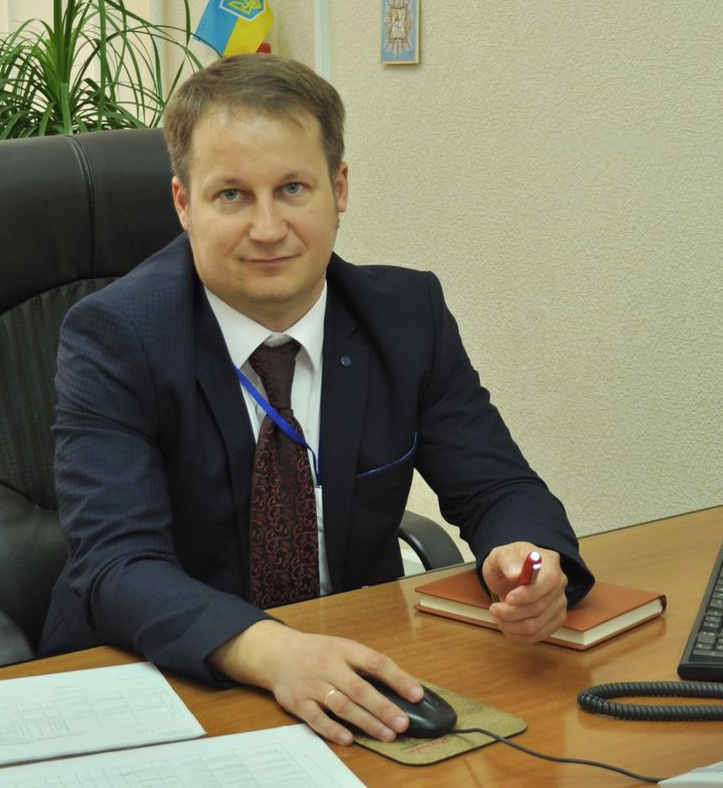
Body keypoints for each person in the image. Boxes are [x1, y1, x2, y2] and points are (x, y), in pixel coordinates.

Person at [40, 53, 594, 746]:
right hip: (162, 677)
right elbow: (118, 564)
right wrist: (277, 652)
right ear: (184, 204)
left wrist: (527, 561)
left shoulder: (406, 316)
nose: (268, 228)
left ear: (339, 188)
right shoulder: (117, 335)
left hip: (353, 667)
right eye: (231, 195)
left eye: (293, 188)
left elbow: (499, 487)